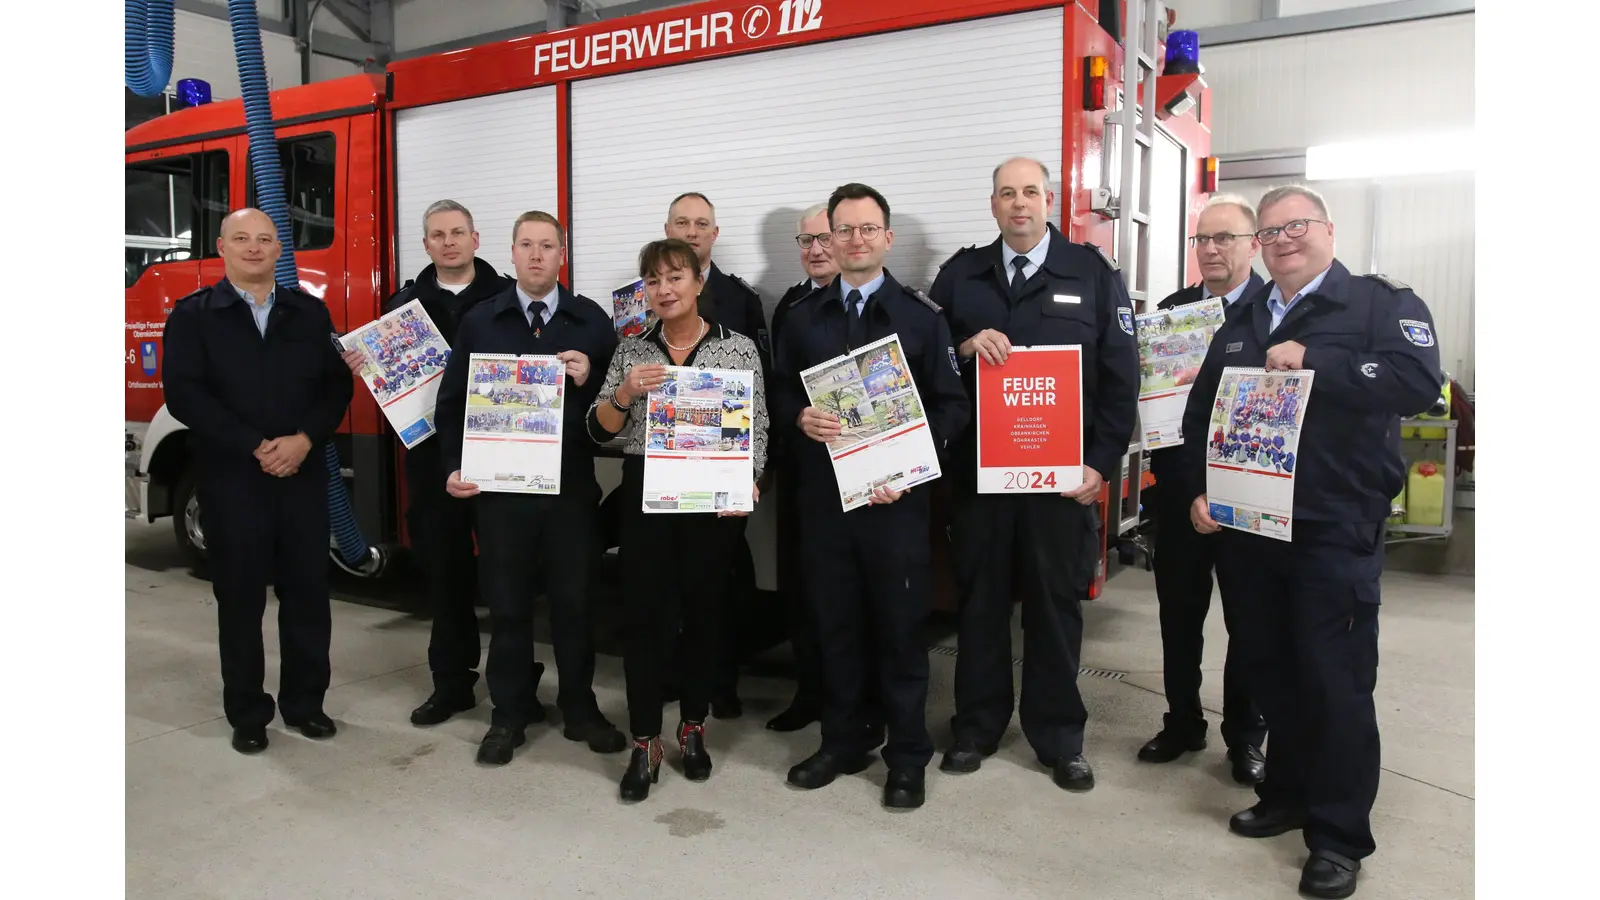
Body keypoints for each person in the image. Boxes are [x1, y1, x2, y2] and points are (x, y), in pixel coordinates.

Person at [1181, 185, 1442, 900]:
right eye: (1269, 232)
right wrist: (1200, 492)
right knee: (1270, 670)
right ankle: (1287, 795)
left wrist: (1315, 362)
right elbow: (1203, 413)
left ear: (1326, 229)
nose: (1282, 239)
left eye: (1295, 226)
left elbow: (1418, 382)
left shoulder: (1379, 305)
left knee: (1335, 683)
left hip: (1333, 528)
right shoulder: (1243, 317)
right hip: (1251, 530)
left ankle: (1338, 836)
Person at [933, 157, 1138, 792]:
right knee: (981, 606)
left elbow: (1121, 378)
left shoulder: (1092, 274)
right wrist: (961, 348)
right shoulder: (959, 275)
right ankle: (976, 727)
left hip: (1059, 483)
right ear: (991, 203)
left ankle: (1059, 737)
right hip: (979, 483)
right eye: (1006, 193)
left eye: (1029, 192)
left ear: (1049, 199)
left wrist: (1101, 465)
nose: (1018, 204)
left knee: (1055, 610)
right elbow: (924, 364)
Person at [773, 183, 970, 810]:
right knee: (835, 628)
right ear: (828, 239)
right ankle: (841, 742)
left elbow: (951, 407)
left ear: (887, 238)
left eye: (868, 229)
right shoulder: (802, 317)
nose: (855, 240)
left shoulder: (921, 318)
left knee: (899, 632)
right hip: (827, 505)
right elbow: (777, 394)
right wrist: (799, 417)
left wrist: (910, 465)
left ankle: (907, 756)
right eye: (844, 230)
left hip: (895, 505)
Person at [433, 210, 627, 765]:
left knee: (575, 604)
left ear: (562, 255)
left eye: (547, 246)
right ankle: (509, 714)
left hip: (570, 491)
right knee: (509, 606)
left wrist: (592, 376)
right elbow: (453, 405)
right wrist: (452, 465)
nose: (537, 255)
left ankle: (579, 708)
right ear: (511, 253)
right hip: (501, 495)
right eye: (526, 245)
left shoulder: (591, 321)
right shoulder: (480, 320)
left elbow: (617, 411)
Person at [161, 208, 354, 754]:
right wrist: (254, 444)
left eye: (265, 239)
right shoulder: (195, 316)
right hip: (232, 478)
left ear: (279, 249)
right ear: (221, 247)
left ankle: (305, 705)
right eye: (241, 238)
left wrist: (304, 440)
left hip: (302, 474)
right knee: (240, 599)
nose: (253, 248)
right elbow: (185, 394)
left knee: (308, 597)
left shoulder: (310, 315)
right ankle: (247, 712)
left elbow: (335, 389)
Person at [587, 238, 769, 801]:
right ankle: (645, 739)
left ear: (697, 284)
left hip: (712, 499)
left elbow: (759, 426)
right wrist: (623, 391)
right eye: (654, 281)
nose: (664, 290)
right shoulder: (630, 351)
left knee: (704, 614)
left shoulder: (736, 349)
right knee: (644, 618)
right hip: (647, 494)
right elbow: (599, 430)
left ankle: (692, 727)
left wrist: (749, 478)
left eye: (675, 278)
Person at [341, 199, 518, 728]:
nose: (449, 242)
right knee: (446, 576)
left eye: (458, 232)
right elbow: (392, 383)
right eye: (438, 235)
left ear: (475, 239)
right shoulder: (402, 307)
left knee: (510, 576)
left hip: (501, 453)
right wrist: (366, 365)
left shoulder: (510, 297)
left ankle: (516, 686)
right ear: (426, 245)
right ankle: (451, 684)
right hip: (431, 460)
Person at [1139, 194, 1268, 784]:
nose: (1212, 250)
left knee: (1250, 625)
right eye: (1202, 240)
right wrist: (1191, 492)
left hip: (1250, 500)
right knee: (1179, 617)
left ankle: (1245, 737)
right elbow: (1163, 419)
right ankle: (1182, 721)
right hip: (1181, 495)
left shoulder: (1277, 312)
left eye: (1226, 238)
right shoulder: (1174, 313)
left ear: (1253, 243)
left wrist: (1225, 493)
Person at [663, 191, 769, 718]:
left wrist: (750, 474)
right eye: (681, 222)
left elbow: (757, 389)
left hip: (720, 466)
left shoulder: (739, 298)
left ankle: (720, 682)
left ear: (714, 233)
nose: (691, 231)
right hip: (661, 468)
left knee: (722, 580)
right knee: (669, 581)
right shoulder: (643, 293)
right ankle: (674, 677)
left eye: (701, 223)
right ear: (667, 227)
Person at [765, 203, 839, 733]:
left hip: (863, 474)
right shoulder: (790, 305)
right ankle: (809, 692)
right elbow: (777, 385)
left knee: (852, 595)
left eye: (823, 238)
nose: (814, 249)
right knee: (804, 588)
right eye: (805, 240)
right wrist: (796, 414)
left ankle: (856, 702)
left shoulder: (887, 303)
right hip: (803, 470)